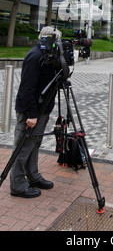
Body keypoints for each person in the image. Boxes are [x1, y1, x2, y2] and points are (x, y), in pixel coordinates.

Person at [10, 26, 61, 198]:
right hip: (31, 111)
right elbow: (26, 89)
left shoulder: (48, 57)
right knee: (22, 148)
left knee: (34, 144)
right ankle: (17, 185)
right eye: (56, 42)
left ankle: (33, 176)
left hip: (42, 109)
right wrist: (32, 114)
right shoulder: (35, 56)